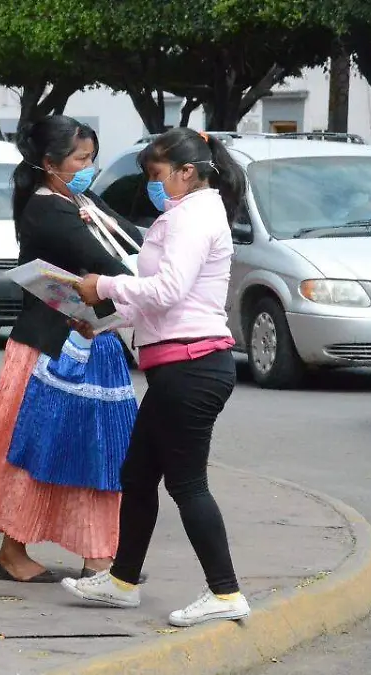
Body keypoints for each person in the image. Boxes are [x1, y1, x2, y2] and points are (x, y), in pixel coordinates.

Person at [62, 127, 252, 628]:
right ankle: (122, 581)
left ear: (188, 172)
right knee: (139, 474)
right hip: (181, 363)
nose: (152, 183)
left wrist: (100, 284)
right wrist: (105, 317)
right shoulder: (189, 213)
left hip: (191, 368)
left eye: (156, 174)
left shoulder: (193, 217)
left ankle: (225, 592)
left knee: (187, 483)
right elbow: (168, 302)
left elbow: (167, 290)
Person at [0, 115, 143, 583]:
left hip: (90, 341)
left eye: (92, 158)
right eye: (81, 159)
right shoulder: (47, 210)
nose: (89, 167)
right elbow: (110, 263)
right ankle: (28, 553)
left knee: (95, 453)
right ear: (49, 163)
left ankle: (97, 555)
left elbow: (132, 238)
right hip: (51, 350)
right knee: (38, 453)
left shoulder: (79, 201)